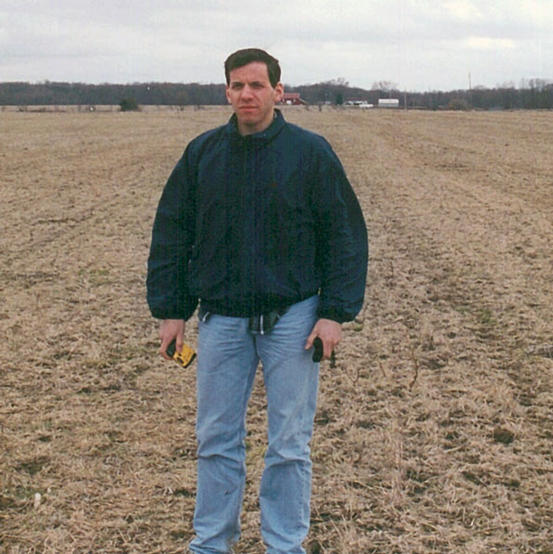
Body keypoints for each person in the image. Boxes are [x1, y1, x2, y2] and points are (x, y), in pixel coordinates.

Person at [147, 48, 368, 554]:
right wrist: (171, 310)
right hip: (222, 320)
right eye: (237, 85)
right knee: (216, 441)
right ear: (226, 91)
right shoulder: (202, 154)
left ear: (276, 91)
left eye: (257, 85)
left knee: (289, 445)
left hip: (293, 319)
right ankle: (210, 543)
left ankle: (285, 544)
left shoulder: (310, 154)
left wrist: (334, 312)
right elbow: (173, 235)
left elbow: (344, 236)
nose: (246, 94)